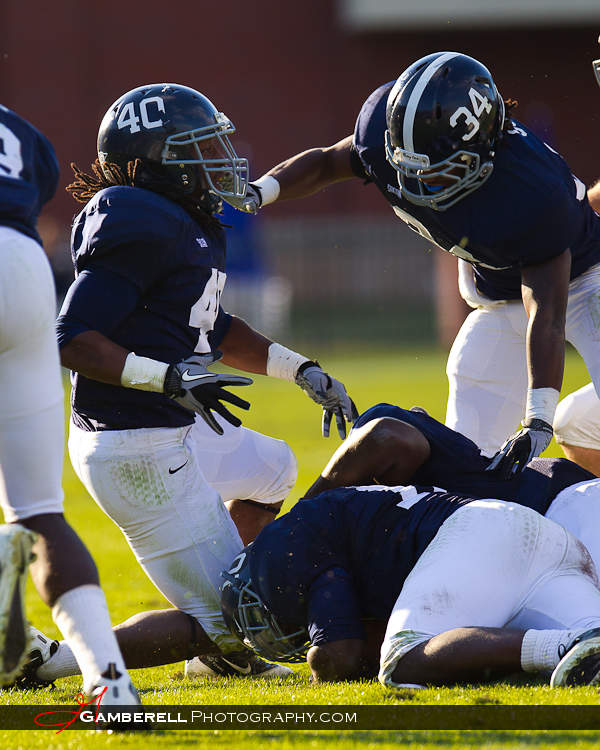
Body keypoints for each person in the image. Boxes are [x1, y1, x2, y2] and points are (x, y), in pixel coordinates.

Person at [55, 82, 356, 679]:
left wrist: (300, 368)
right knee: (239, 628)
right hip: (135, 445)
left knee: (274, 468)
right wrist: (165, 378)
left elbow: (211, 325)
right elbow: (73, 338)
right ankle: (54, 664)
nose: (221, 157)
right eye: (201, 148)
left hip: (172, 425)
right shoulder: (137, 217)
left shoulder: (180, 221)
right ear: (158, 161)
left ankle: (225, 626)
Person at [228, 51, 600, 475]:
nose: (419, 184)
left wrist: (539, 416)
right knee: (468, 452)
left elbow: (547, 312)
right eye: (410, 168)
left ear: (485, 153)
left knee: (575, 419)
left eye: (440, 172)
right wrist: (261, 191)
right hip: (499, 295)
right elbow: (331, 161)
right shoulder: (382, 134)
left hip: (586, 279)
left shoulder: (532, 192)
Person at [0, 105, 140, 704]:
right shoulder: (13, 124)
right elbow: (42, 177)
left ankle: (10, 642)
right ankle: (111, 687)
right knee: (37, 511)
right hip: (22, 264)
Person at [220, 484, 600, 689]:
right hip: (536, 536)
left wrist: (320, 662)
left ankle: (558, 647)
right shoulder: (324, 524)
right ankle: (578, 642)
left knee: (402, 662)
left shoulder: (282, 547)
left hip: (476, 538)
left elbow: (341, 658)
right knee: (591, 636)